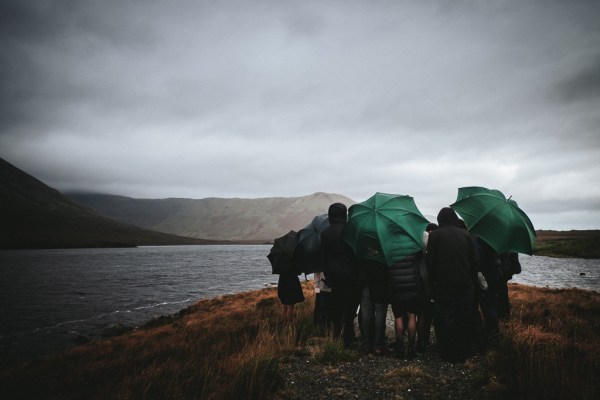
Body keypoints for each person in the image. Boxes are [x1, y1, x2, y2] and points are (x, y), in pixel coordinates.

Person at [426, 207, 479, 363]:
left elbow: (430, 263)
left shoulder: (435, 236)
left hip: (443, 284)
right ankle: (463, 351)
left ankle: (446, 351)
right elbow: (475, 261)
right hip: (465, 284)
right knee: (463, 316)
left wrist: (433, 281)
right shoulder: (466, 235)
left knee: (445, 317)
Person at [320, 203, 361, 347]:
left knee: (335, 308)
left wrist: (327, 274)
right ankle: (349, 336)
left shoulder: (325, 233)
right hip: (351, 276)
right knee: (350, 308)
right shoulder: (352, 230)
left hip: (333, 277)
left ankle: (337, 335)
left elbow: (323, 257)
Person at [387, 251, 424, 359]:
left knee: (398, 317)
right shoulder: (412, 245)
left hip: (395, 284)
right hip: (412, 284)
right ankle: (411, 348)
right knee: (412, 315)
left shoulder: (390, 246)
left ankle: (400, 348)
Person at [358, 259, 389, 354]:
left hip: (365, 280)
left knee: (366, 312)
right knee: (380, 313)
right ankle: (378, 345)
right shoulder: (384, 246)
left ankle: (366, 344)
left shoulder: (363, 246)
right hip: (381, 281)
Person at [417, 222, 438, 352]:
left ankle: (422, 339)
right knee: (427, 313)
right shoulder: (432, 250)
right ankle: (424, 339)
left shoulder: (420, 249)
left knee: (423, 314)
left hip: (421, 285)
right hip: (429, 286)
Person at [498, 252, 521, 320]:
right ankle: (504, 316)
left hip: (500, 274)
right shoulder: (512, 247)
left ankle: (502, 316)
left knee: (501, 295)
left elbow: (517, 268)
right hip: (504, 274)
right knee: (503, 295)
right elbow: (517, 268)